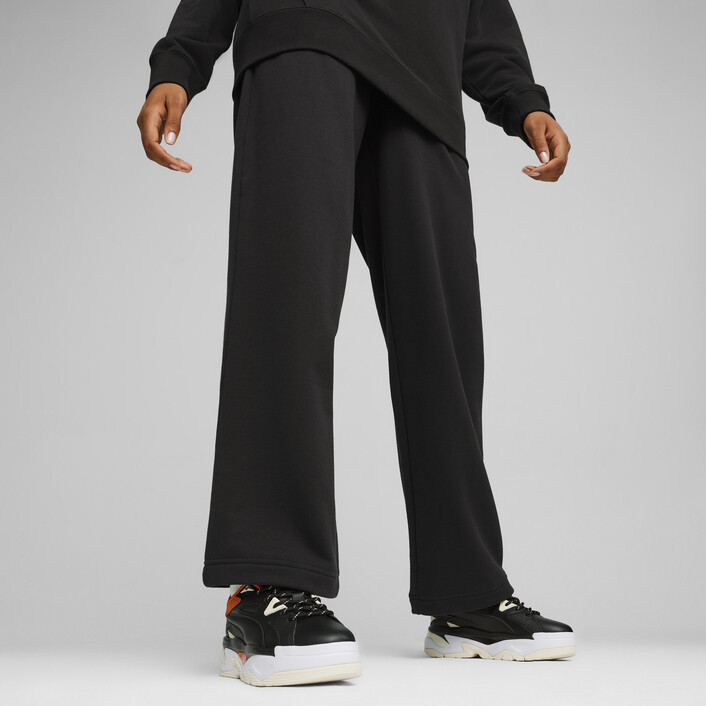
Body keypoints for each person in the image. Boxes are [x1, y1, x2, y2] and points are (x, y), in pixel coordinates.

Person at [137, 0, 574, 687]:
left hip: (424, 70)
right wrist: (181, 59)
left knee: (445, 338)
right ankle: (267, 589)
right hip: (302, 30)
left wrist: (520, 96)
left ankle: (466, 594)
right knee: (286, 310)